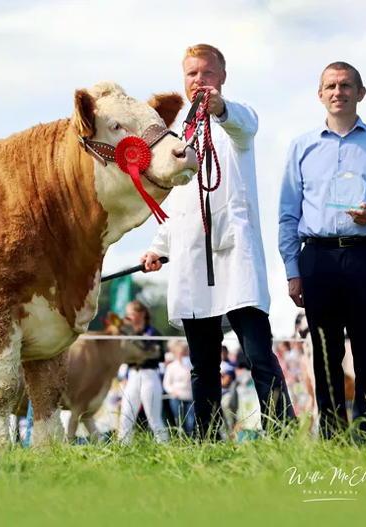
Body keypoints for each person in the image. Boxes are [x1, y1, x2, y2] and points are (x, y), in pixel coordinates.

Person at [142, 43, 294, 439]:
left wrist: (221, 108)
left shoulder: (237, 120)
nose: (199, 80)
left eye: (207, 73)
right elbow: (176, 200)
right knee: (202, 364)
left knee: (258, 355)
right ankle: (207, 441)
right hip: (192, 258)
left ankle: (282, 433)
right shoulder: (176, 134)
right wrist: (158, 247)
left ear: (222, 77)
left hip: (235, 257)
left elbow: (245, 124)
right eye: (192, 73)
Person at [278, 61, 366, 437]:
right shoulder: (301, 147)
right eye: (331, 86)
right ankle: (333, 435)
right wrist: (292, 269)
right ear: (320, 95)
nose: (338, 92)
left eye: (346, 85)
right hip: (317, 257)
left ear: (360, 93)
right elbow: (288, 215)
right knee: (325, 353)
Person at [117, 300, 169, 443]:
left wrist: (138, 352)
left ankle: (165, 446)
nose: (127, 317)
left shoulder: (153, 333)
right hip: (133, 375)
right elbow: (124, 355)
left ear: (141, 314)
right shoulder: (128, 333)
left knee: (154, 418)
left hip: (149, 375)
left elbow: (157, 355)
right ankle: (123, 447)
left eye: (131, 314)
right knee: (126, 416)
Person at [162, 341, 195, 436]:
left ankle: (190, 439)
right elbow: (166, 384)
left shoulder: (191, 366)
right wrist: (172, 391)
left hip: (190, 397)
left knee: (190, 422)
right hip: (176, 398)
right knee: (179, 422)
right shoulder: (171, 367)